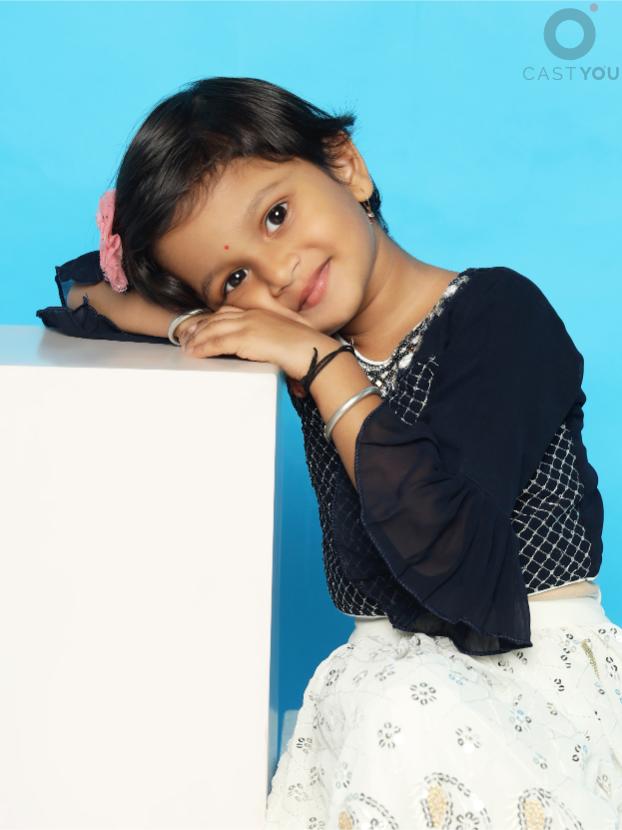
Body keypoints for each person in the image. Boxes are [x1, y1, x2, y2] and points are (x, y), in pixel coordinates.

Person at [43, 77, 621, 828]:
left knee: (408, 717)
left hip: (529, 680)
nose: (278, 274)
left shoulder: (501, 316)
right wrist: (193, 325)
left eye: (276, 216)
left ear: (345, 166)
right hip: (379, 696)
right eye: (235, 278)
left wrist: (325, 367)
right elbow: (86, 292)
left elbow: (455, 562)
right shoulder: (290, 338)